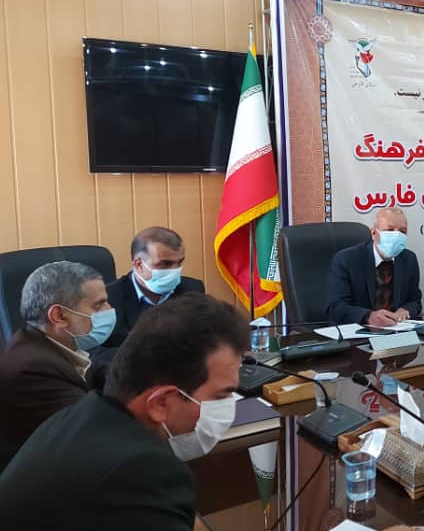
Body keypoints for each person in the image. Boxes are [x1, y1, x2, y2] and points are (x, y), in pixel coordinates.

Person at [0, 293, 247, 530]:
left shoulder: (84, 415)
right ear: (160, 403)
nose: (230, 404)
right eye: (221, 396)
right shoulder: (141, 473)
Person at [0, 261, 113, 471]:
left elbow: (99, 372)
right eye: (99, 305)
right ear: (59, 316)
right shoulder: (31, 369)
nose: (109, 310)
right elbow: (96, 429)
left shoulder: (50, 346)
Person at [92, 226, 204, 364]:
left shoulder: (192, 290)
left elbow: (206, 340)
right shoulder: (108, 298)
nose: (175, 270)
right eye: (165, 264)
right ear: (139, 264)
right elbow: (95, 353)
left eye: (179, 262)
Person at [326, 207, 422, 327]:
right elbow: (336, 308)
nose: (397, 235)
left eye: (402, 231)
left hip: (397, 329)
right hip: (359, 331)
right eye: (389, 230)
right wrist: (368, 316)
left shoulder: (409, 259)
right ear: (373, 233)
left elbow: (415, 301)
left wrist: (406, 310)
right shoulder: (346, 259)